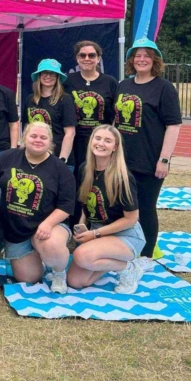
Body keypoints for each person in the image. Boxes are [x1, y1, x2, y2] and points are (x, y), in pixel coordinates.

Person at [114, 38, 182, 266]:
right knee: (122, 205)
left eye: (147, 55)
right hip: (123, 159)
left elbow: (173, 125)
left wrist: (164, 159)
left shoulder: (164, 88)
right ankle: (125, 248)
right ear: (131, 60)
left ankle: (146, 255)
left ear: (155, 60)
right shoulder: (124, 85)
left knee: (145, 207)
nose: (141, 59)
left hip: (149, 158)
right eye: (137, 55)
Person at [0, 121, 76, 293]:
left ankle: (59, 272)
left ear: (50, 143)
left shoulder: (60, 169)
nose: (38, 140)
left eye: (43, 137)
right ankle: (42, 259)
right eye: (33, 136)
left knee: (51, 247)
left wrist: (48, 224)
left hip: (49, 226)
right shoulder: (6, 158)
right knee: (29, 278)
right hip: (16, 232)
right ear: (24, 138)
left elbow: (66, 205)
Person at [68, 125, 145, 294]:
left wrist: (95, 235)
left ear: (115, 147)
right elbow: (84, 205)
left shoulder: (122, 177)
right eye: (98, 138)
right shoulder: (84, 169)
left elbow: (131, 219)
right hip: (98, 232)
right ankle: (110, 260)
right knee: (75, 281)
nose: (101, 143)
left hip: (126, 235)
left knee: (82, 256)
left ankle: (129, 268)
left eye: (108, 141)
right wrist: (82, 229)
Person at [64, 40, 118, 169]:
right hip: (75, 141)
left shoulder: (110, 82)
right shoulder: (67, 81)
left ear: (98, 59)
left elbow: (116, 114)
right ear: (77, 58)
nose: (87, 58)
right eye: (82, 55)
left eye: (91, 55)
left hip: (101, 142)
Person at [23, 59, 77, 166]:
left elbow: (70, 133)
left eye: (52, 73)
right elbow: (26, 128)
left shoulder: (65, 100)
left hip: (58, 158)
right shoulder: (30, 99)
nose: (48, 76)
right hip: (35, 158)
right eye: (44, 73)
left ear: (57, 77)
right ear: (39, 76)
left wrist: (62, 159)